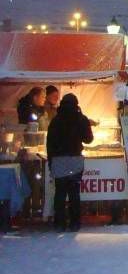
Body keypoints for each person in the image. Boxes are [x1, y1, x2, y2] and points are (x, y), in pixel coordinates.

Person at [46, 94, 93, 231]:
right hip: (75, 160)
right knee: (74, 193)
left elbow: (50, 143)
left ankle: (59, 223)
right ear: (76, 104)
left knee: (60, 193)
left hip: (59, 160)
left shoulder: (55, 120)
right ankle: (75, 223)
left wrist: (51, 161)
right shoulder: (81, 119)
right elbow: (88, 139)